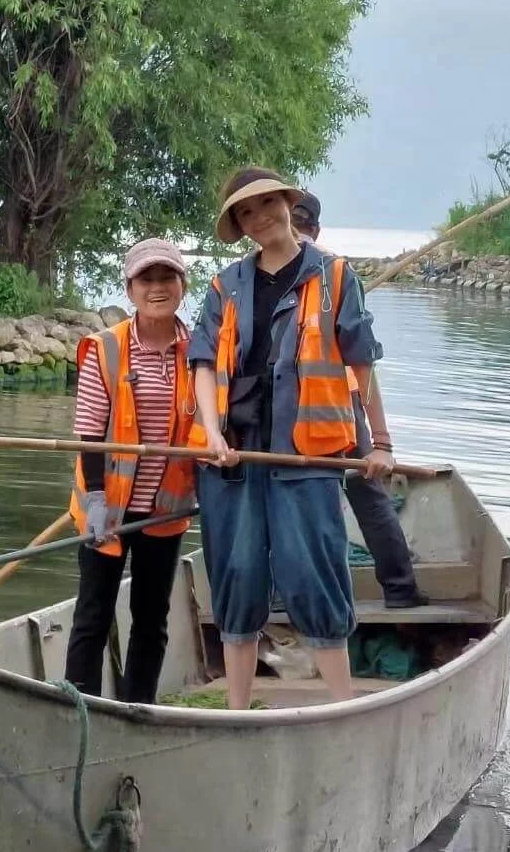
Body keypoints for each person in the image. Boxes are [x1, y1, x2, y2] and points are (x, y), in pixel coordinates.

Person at [188, 167, 392, 709]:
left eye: (266, 205)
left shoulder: (336, 276)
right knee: (236, 574)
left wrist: (380, 442)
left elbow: (361, 367)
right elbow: (204, 363)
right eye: (246, 214)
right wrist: (210, 433)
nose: (260, 219)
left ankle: (343, 704)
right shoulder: (225, 285)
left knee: (314, 571)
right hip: (233, 456)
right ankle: (236, 708)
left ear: (286, 203)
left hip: (306, 455)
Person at [62, 238, 197, 705]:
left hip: (165, 510)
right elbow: (90, 433)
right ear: (130, 287)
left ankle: (138, 709)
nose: (156, 287)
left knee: (151, 616)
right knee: (93, 614)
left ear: (183, 284)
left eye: (166, 277)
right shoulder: (106, 349)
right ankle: (78, 710)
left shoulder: (200, 350)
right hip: (108, 508)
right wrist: (96, 499)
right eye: (146, 279)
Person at [290, 192, 429, 609]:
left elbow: (361, 358)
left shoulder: (325, 272)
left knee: (329, 499)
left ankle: (394, 590)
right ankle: (398, 591)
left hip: (323, 408)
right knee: (349, 498)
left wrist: (382, 439)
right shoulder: (333, 271)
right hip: (315, 409)